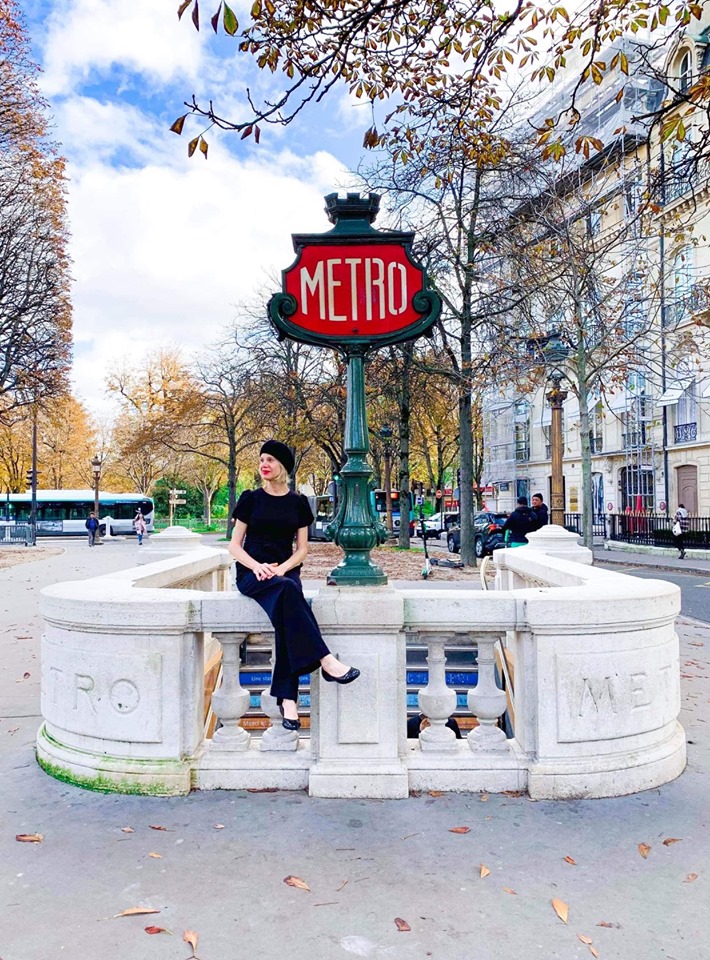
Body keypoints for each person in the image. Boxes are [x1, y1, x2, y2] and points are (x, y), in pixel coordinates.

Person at [229, 440, 359, 732]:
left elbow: (301, 550)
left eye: (271, 460)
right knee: (289, 591)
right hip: (253, 574)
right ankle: (326, 661)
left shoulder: (298, 503)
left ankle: (288, 700)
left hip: (285, 573)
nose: (264, 464)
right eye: (262, 459)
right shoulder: (250, 499)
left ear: (283, 466)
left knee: (287, 608)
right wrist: (257, 566)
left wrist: (282, 568)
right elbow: (234, 546)